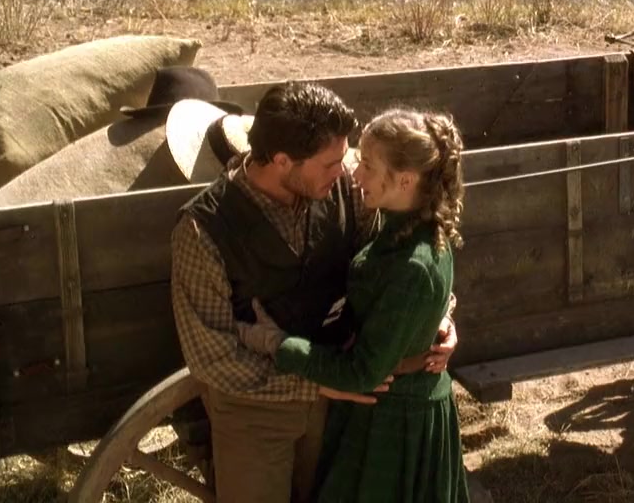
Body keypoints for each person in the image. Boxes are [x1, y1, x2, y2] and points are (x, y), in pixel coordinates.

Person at [170, 82, 458, 503]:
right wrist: (315, 385)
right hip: (256, 411)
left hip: (341, 405)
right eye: (331, 164)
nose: (346, 171)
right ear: (282, 161)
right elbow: (212, 357)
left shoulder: (350, 193)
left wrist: (438, 316)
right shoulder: (202, 231)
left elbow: (399, 270)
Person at [238, 106, 470, 503]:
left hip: (395, 423)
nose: (355, 175)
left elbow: (363, 372)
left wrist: (278, 344)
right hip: (387, 408)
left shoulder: (412, 263)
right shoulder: (406, 227)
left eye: (368, 166)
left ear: (405, 180)